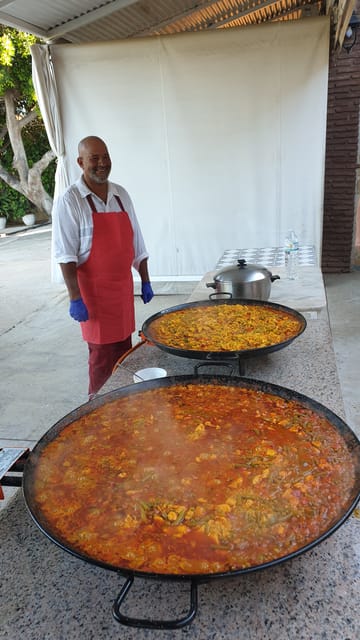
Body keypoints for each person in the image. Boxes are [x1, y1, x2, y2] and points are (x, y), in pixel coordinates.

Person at [52, 135, 154, 398]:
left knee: (124, 351)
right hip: (93, 296)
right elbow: (66, 256)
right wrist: (75, 298)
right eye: (94, 158)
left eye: (105, 157)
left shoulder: (121, 195)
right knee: (101, 358)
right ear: (80, 162)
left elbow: (137, 242)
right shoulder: (70, 200)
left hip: (120, 291)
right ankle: (96, 410)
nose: (101, 163)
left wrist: (145, 279)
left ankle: (122, 402)